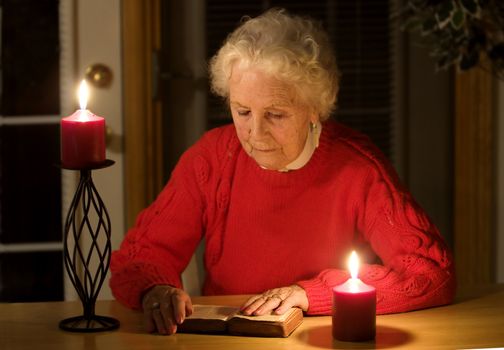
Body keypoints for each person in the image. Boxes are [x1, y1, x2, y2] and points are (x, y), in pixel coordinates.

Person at [110, 8, 456, 335]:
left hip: (325, 335)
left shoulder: (358, 166)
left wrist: (310, 294)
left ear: (315, 109)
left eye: (276, 114)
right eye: (242, 111)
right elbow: (140, 257)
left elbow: (431, 273)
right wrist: (156, 289)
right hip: (228, 341)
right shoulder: (212, 157)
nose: (255, 134)